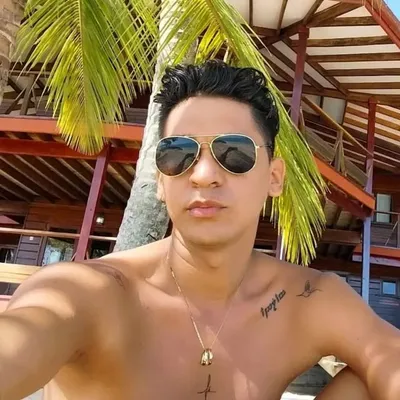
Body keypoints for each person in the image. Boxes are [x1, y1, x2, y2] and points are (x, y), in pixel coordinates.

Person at [0, 60, 399, 400]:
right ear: (160, 180)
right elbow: (23, 340)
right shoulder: (88, 293)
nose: (204, 175)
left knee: (365, 385)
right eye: (179, 153)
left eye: (234, 152)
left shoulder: (308, 300)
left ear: (274, 177)